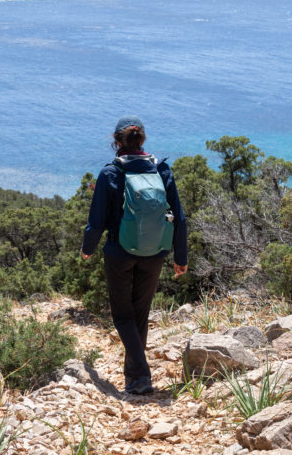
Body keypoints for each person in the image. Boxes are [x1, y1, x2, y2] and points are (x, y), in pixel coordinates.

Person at [80, 115, 188, 395]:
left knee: (122, 316)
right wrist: (181, 256)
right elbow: (179, 216)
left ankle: (140, 375)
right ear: (143, 141)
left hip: (120, 252)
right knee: (140, 314)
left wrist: (87, 249)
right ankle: (136, 378)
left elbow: (97, 220)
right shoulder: (162, 170)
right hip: (156, 252)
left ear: (116, 142)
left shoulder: (110, 173)